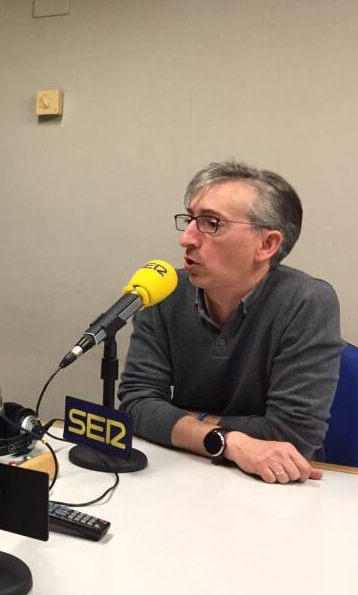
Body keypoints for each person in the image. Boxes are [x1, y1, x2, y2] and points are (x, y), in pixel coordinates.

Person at [118, 160, 342, 484]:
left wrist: (184, 421)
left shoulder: (307, 302)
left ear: (266, 245)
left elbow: (292, 433)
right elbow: (137, 405)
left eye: (211, 223)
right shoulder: (164, 290)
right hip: (181, 473)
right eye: (190, 219)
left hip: (273, 483)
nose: (187, 239)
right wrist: (230, 442)